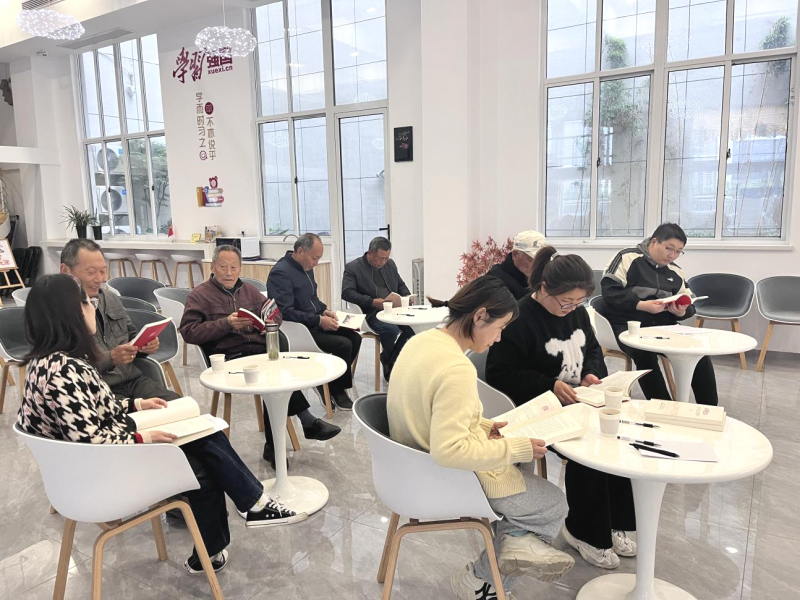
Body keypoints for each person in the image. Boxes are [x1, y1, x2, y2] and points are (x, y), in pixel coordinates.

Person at [17, 274, 303, 576]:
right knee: (201, 466)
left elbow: (89, 412)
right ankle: (246, 512)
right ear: (70, 314)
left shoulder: (51, 362)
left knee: (198, 428)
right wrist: (145, 438)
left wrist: (137, 405)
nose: (93, 307)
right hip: (98, 475)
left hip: (88, 463)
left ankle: (247, 511)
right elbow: (92, 443)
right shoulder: (66, 372)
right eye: (87, 303)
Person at [388, 275, 574, 599]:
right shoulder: (457, 369)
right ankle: (480, 581)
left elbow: (431, 410)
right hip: (440, 476)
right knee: (553, 504)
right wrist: (514, 447)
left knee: (520, 466)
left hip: (408, 467)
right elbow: (449, 451)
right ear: (480, 316)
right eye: (499, 328)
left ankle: (516, 537)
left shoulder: (422, 342)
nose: (499, 339)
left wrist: (486, 427)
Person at [486, 246, 637, 569]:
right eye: (566, 302)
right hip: (538, 408)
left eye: (578, 302)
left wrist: (590, 372)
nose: (571, 309)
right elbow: (500, 373)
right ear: (544, 288)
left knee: (617, 438)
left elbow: (592, 349)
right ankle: (583, 531)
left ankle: (613, 523)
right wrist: (549, 385)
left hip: (579, 400)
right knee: (589, 451)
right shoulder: (519, 318)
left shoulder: (577, 313)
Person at [180, 245, 340, 470]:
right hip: (230, 358)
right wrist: (226, 323)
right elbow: (188, 332)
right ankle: (304, 423)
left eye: (234, 267)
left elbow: (275, 312)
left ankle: (280, 442)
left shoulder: (249, 291)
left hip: (258, 351)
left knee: (278, 375)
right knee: (273, 380)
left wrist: (270, 322)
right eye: (223, 267)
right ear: (213, 267)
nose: (229, 273)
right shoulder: (199, 295)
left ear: (240, 268)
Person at [601, 223, 718, 405]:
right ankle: (663, 407)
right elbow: (609, 291)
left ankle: (710, 409)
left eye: (678, 251)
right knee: (644, 354)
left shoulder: (675, 270)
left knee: (698, 352)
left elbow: (690, 302)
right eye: (669, 248)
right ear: (654, 242)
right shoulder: (627, 258)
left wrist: (682, 311)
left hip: (663, 327)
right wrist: (640, 305)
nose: (672, 255)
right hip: (627, 324)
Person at [59, 238, 181, 402]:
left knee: (181, 406)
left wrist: (144, 346)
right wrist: (110, 359)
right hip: (96, 390)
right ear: (65, 271)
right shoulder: (57, 312)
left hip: (133, 380)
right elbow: (67, 371)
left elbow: (131, 336)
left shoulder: (110, 298)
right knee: (139, 416)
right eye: (90, 272)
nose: (99, 279)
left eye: (103, 271)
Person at [267, 233, 361, 411]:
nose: (316, 263)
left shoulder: (306, 266)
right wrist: (318, 320)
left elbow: (313, 298)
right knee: (343, 344)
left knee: (355, 338)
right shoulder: (281, 272)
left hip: (314, 322)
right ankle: (335, 390)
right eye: (314, 258)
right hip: (300, 330)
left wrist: (324, 310)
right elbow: (285, 312)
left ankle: (333, 385)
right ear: (300, 251)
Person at [341, 236, 415, 380]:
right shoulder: (353, 268)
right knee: (391, 329)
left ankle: (389, 358)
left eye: (386, 258)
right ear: (370, 253)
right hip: (370, 313)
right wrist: (372, 302)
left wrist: (406, 296)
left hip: (393, 310)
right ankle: (393, 363)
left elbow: (400, 284)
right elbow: (346, 292)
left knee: (413, 327)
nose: (383, 262)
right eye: (380, 258)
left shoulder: (390, 264)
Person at [487, 230, 547, 300]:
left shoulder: (541, 277)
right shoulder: (494, 282)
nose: (537, 265)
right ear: (515, 255)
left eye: (540, 260)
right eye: (531, 260)